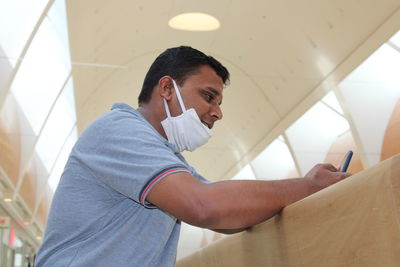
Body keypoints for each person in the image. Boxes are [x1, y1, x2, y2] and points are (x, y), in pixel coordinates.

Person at [35, 46, 350, 266]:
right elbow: (205, 207)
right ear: (167, 90)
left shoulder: (169, 159)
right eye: (209, 96)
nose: (217, 113)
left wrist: (304, 197)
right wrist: (307, 186)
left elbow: (225, 220)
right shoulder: (118, 130)